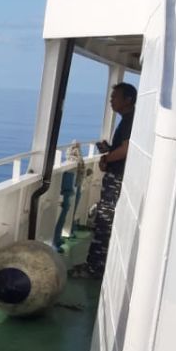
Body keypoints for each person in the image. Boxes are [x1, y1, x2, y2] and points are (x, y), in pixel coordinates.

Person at [70, 83, 136, 278]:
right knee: (106, 221)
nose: (111, 101)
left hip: (117, 179)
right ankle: (99, 264)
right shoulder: (129, 120)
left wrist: (106, 159)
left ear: (128, 100)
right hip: (118, 176)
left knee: (105, 222)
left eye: (115, 97)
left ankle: (95, 268)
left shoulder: (129, 121)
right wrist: (108, 152)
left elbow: (125, 150)